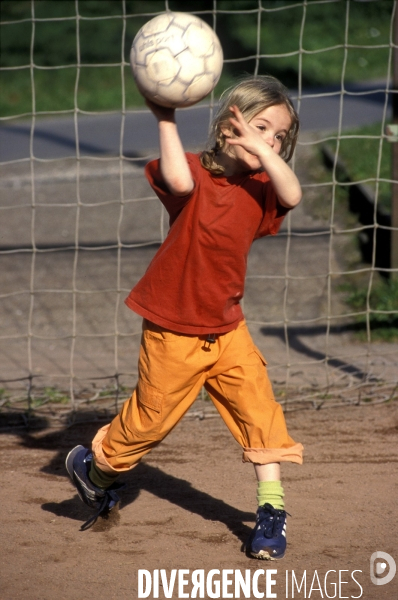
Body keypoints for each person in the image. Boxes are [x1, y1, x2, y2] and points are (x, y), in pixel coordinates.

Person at [66, 75, 304, 560]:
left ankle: (271, 514)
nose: (271, 141)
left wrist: (267, 151)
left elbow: (294, 194)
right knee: (147, 426)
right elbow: (176, 180)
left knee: (262, 415)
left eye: (280, 136)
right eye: (261, 127)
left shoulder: (263, 189)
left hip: (227, 327)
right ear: (227, 128)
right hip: (173, 330)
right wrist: (165, 116)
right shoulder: (194, 172)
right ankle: (95, 471)